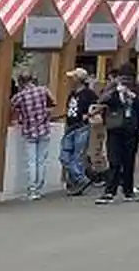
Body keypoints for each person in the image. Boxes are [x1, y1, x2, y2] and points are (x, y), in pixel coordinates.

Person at [95, 63, 139, 205]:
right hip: (114, 128)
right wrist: (115, 93)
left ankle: (128, 190)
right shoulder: (113, 87)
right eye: (123, 78)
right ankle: (109, 191)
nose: (126, 82)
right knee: (114, 160)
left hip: (131, 128)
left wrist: (133, 97)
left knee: (129, 161)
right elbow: (102, 100)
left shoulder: (137, 89)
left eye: (129, 79)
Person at [10, 72, 55, 201]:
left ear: (20, 82)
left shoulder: (20, 96)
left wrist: (20, 117)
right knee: (41, 161)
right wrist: (45, 113)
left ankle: (32, 190)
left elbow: (11, 107)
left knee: (31, 161)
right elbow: (53, 103)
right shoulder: (43, 90)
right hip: (44, 129)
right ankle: (39, 188)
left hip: (29, 130)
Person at [60, 68, 98, 196]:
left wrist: (89, 114)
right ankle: (79, 178)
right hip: (71, 126)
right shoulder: (72, 94)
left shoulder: (89, 94)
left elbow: (99, 106)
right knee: (65, 156)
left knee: (77, 156)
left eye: (73, 78)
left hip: (81, 127)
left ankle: (79, 180)